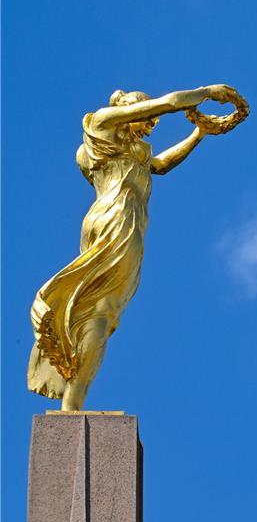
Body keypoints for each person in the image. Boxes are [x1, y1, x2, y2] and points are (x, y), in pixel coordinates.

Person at [28, 84, 245, 411]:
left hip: (128, 223)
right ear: (128, 110)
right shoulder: (102, 123)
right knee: (101, 309)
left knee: (103, 313)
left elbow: (161, 165)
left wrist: (199, 134)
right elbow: (169, 103)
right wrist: (208, 92)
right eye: (146, 117)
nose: (150, 125)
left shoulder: (132, 152)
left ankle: (73, 402)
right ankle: (71, 403)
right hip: (115, 219)